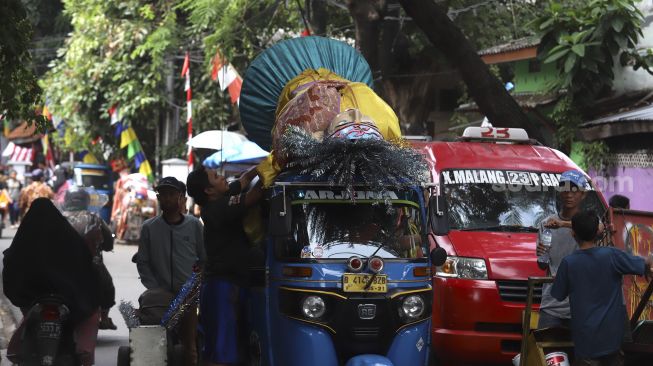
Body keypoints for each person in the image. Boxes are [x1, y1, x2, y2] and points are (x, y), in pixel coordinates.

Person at [3, 198, 101, 366]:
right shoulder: (68, 237)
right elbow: (86, 265)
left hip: (32, 298)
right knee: (90, 314)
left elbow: (11, 266)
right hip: (68, 298)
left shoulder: (25, 238)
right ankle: (84, 355)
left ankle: (17, 350)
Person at [551, 211, 652, 366]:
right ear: (597, 232)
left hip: (585, 341)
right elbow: (642, 264)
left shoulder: (568, 263)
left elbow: (558, 294)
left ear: (573, 234)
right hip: (612, 338)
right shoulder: (612, 255)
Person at [186, 166, 262, 366]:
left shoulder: (224, 194)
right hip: (223, 287)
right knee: (222, 353)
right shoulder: (218, 208)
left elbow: (245, 179)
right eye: (216, 177)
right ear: (209, 191)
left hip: (233, 283)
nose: (223, 178)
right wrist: (274, 171)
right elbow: (254, 195)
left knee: (232, 349)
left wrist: (264, 165)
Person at [136, 176, 205, 366]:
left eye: (171, 194)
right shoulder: (149, 227)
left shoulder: (193, 225)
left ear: (180, 198)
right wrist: (154, 288)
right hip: (159, 297)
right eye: (163, 195)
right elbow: (143, 261)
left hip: (187, 296)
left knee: (190, 348)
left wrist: (195, 282)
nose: (166, 199)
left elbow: (204, 258)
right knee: (153, 345)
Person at [535, 169, 589, 329]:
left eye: (574, 189)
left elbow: (598, 229)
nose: (569, 194)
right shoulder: (546, 224)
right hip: (551, 305)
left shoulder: (590, 223)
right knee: (546, 352)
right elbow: (543, 265)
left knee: (581, 354)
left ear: (583, 194)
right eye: (564, 189)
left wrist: (563, 224)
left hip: (581, 305)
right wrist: (540, 254)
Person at [61, 187, 118, 331]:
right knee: (107, 286)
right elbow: (108, 242)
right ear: (85, 201)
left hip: (60, 262)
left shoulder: (59, 216)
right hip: (90, 263)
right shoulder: (94, 217)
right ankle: (104, 318)